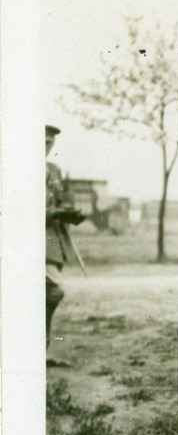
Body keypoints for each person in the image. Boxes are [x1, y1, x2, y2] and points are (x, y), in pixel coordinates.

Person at [45, 124, 84, 366]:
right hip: (22, 241)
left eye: (49, 142)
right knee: (52, 292)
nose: (46, 146)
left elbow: (59, 201)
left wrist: (69, 212)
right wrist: (55, 213)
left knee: (48, 294)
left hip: (51, 241)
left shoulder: (53, 170)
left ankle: (42, 351)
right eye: (41, 141)